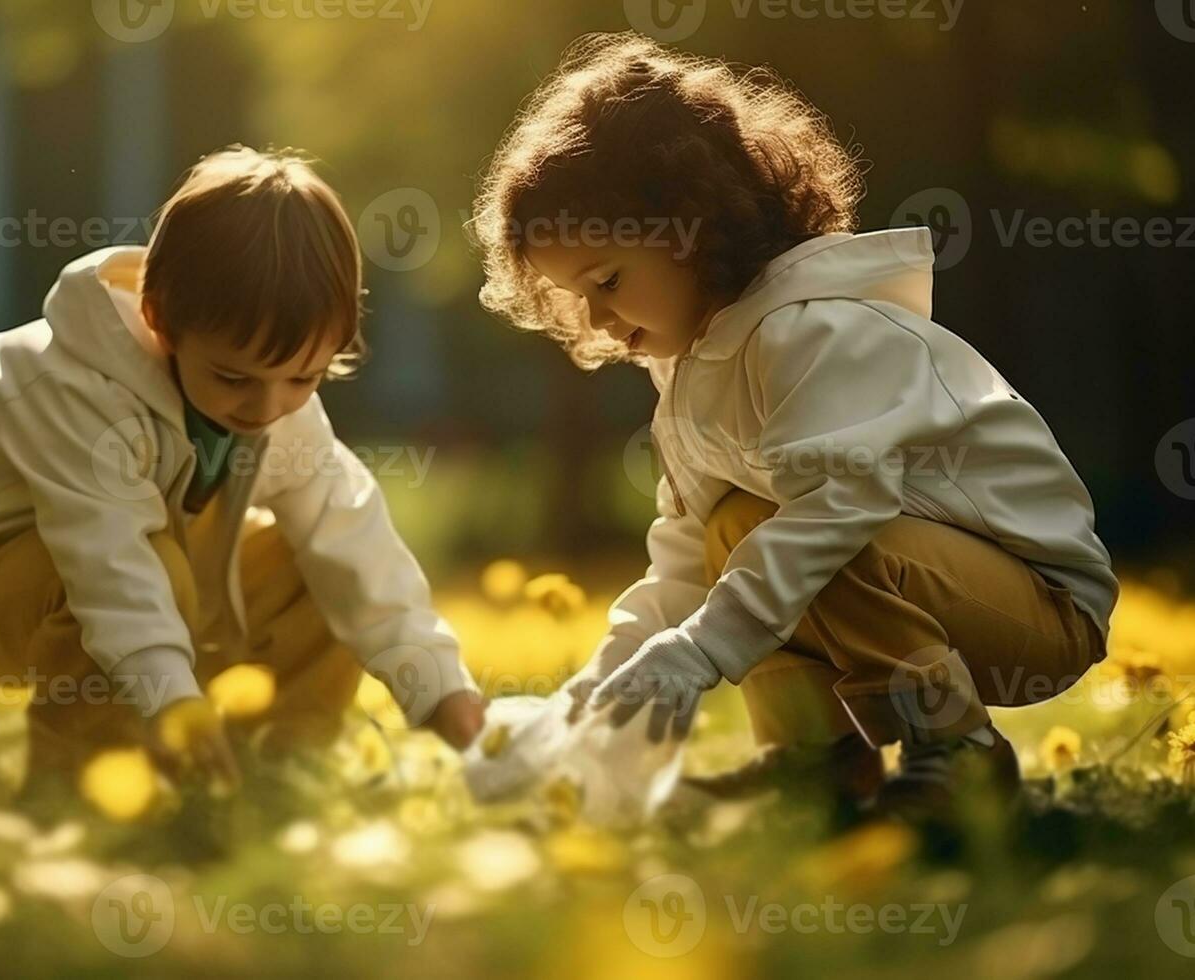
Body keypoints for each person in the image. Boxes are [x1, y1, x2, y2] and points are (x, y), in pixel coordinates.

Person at [472, 34, 1117, 816]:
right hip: (916, 575)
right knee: (733, 525)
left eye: (608, 279)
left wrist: (702, 650)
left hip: (1038, 605)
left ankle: (956, 750)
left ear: (695, 226)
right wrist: (583, 700)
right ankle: (815, 763)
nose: (599, 318)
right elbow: (683, 563)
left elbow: (840, 509)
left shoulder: (809, 331)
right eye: (579, 297)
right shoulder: (688, 372)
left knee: (811, 529)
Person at [0, 146, 484, 783]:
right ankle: (82, 808)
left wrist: (442, 690)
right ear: (161, 318)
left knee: (316, 570)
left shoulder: (271, 395)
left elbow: (353, 538)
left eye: (303, 377)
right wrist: (174, 707)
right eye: (233, 376)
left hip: (146, 557)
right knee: (148, 576)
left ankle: (273, 782)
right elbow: (109, 564)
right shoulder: (71, 386)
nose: (268, 405)